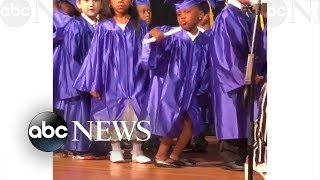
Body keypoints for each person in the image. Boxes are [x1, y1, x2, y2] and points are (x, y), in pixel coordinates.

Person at [74, 0, 151, 164]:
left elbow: (148, 52)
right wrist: (93, 82)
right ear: (110, 3)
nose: (120, 1)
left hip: (136, 76)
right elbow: (94, 55)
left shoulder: (141, 26)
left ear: (131, 1)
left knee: (136, 111)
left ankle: (137, 150)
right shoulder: (104, 26)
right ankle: (115, 150)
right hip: (111, 78)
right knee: (112, 111)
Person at [141, 0, 210, 168]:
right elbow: (152, 55)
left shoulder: (206, 40)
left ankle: (174, 155)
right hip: (172, 89)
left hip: (193, 90)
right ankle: (161, 155)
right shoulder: (171, 35)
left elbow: (209, 66)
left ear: (200, 15)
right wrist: (154, 37)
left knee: (191, 122)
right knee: (172, 121)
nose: (182, 17)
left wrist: (204, 87)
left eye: (187, 12)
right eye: (179, 14)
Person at [208, 0, 264, 171]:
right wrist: (245, 76)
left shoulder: (250, 15)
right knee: (231, 115)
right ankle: (230, 156)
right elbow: (224, 53)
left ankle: (246, 154)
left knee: (246, 115)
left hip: (251, 75)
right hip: (230, 78)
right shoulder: (226, 16)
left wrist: (260, 71)